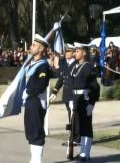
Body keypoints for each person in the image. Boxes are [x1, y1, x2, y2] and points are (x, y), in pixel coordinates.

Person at [22, 34, 51, 163]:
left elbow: (40, 85)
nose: (30, 47)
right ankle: (33, 159)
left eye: (33, 45)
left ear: (40, 49)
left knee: (36, 131)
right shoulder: (32, 64)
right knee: (30, 130)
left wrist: (28, 91)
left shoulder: (43, 66)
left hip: (36, 100)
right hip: (30, 100)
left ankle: (37, 160)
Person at [71, 42, 100, 161]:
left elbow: (95, 87)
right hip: (77, 99)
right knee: (79, 127)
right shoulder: (75, 66)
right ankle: (82, 151)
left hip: (85, 99)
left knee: (86, 126)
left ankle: (86, 153)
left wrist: (91, 104)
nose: (75, 53)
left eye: (77, 51)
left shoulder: (88, 67)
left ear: (84, 53)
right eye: (75, 51)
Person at [49, 44, 80, 144]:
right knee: (70, 114)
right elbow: (61, 79)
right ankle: (72, 136)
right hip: (66, 93)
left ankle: (76, 137)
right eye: (66, 51)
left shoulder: (77, 63)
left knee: (75, 115)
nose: (67, 53)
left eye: (69, 51)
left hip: (74, 92)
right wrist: (55, 91)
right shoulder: (64, 63)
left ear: (73, 53)